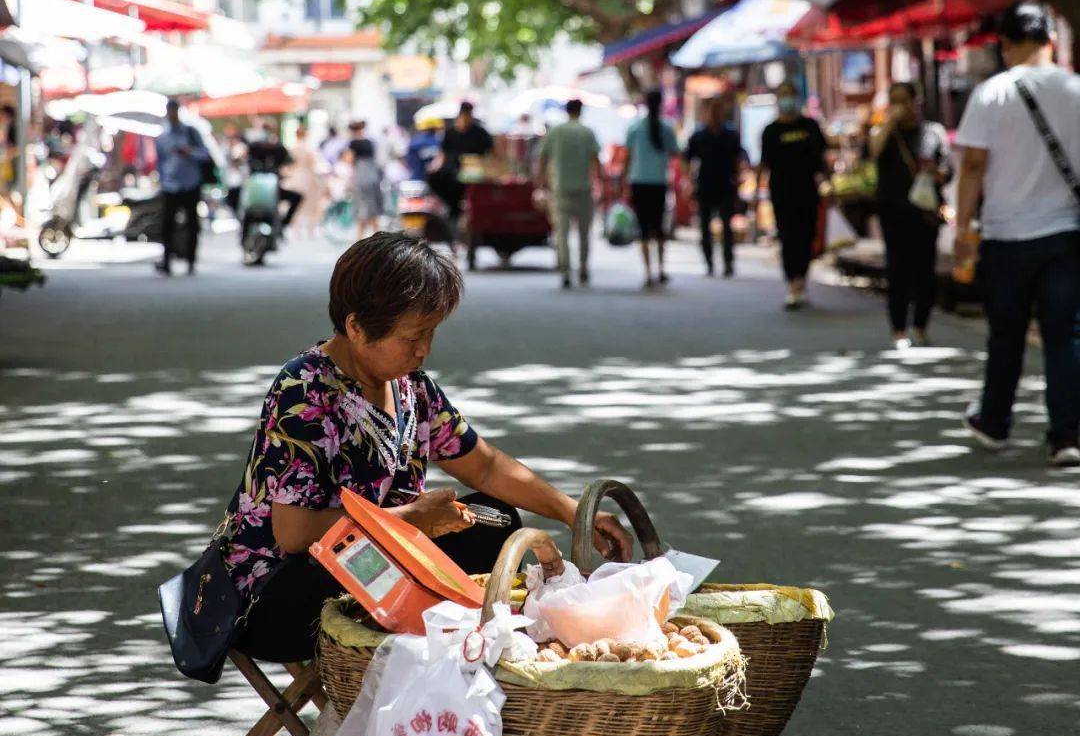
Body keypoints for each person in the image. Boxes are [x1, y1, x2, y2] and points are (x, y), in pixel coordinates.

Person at [218, 233, 633, 664]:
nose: (424, 350)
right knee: (400, 569)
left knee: (497, 520)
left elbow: (485, 467)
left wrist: (573, 512)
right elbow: (294, 532)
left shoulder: (411, 388)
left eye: (430, 333)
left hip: (381, 561)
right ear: (357, 328)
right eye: (411, 337)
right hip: (278, 596)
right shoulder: (303, 391)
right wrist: (411, 520)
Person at [954, 1, 1080, 466]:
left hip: (1006, 236)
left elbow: (972, 166)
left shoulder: (992, 94)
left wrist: (963, 228)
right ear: (1049, 40)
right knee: (1064, 335)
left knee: (1005, 334)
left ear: (1006, 45)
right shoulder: (1076, 90)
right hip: (1065, 234)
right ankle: (1066, 435)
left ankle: (994, 421)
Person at [869, 82, 952, 348]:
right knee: (897, 270)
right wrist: (887, 123)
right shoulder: (885, 134)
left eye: (904, 100)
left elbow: (947, 171)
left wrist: (935, 173)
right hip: (893, 210)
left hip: (925, 211)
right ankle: (898, 329)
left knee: (925, 270)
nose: (900, 106)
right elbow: (871, 152)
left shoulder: (932, 132)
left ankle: (920, 326)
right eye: (894, 101)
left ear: (917, 101)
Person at [757, 80, 829, 309]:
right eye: (783, 95)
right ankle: (793, 285)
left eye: (790, 94)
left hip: (808, 191)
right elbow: (764, 164)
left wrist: (829, 185)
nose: (787, 99)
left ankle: (802, 282)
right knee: (788, 238)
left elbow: (822, 160)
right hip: (781, 192)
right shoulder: (770, 131)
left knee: (806, 236)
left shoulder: (810, 126)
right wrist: (757, 198)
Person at [537, 98, 602, 288]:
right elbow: (595, 161)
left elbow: (542, 158)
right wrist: (602, 184)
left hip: (560, 189)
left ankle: (565, 271)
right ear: (581, 111)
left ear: (567, 111)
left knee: (562, 233)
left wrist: (541, 183)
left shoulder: (556, 132)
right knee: (584, 232)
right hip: (584, 188)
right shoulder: (587, 132)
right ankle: (583, 269)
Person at [683, 93, 748, 278]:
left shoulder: (730, 135)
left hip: (726, 184)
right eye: (712, 110)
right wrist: (689, 181)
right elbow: (687, 158)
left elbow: (739, 157)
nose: (715, 114)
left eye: (718, 110)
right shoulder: (699, 135)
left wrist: (740, 178)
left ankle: (728, 262)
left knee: (727, 226)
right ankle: (709, 262)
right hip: (704, 185)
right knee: (705, 227)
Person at [624, 87, 679, 289]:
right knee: (658, 227)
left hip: (638, 182)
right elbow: (675, 153)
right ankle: (661, 269)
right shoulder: (667, 127)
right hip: (658, 183)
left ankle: (648, 272)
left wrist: (622, 181)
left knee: (644, 229)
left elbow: (627, 158)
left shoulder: (635, 127)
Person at [153, 98, 210, 277]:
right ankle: (167, 260)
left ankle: (191, 261)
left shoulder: (191, 132)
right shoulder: (162, 137)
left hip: (190, 183)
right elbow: (160, 162)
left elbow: (205, 155)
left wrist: (189, 152)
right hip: (170, 185)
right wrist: (162, 180)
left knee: (192, 224)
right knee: (167, 225)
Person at [429, 101, 495, 238]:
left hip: (475, 171)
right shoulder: (451, 133)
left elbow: (491, 154)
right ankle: (453, 208)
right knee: (436, 178)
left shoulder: (480, 132)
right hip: (454, 171)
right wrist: (434, 166)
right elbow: (442, 154)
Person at [245, 121, 302, 233]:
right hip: (256, 189)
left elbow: (289, 161)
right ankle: (283, 224)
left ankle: (283, 225)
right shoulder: (255, 146)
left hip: (270, 188)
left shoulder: (277, 148)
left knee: (297, 197)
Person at [288, 123, 328, 238]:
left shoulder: (293, 148)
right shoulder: (308, 148)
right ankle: (310, 228)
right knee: (311, 204)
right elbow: (314, 164)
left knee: (297, 204)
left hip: (295, 177)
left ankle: (296, 230)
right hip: (308, 177)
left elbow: (289, 165)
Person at [346, 119, 384, 238]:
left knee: (363, 206)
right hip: (373, 174)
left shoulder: (353, 143)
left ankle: (359, 237)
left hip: (361, 175)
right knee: (372, 207)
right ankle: (378, 235)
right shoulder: (370, 142)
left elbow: (350, 160)